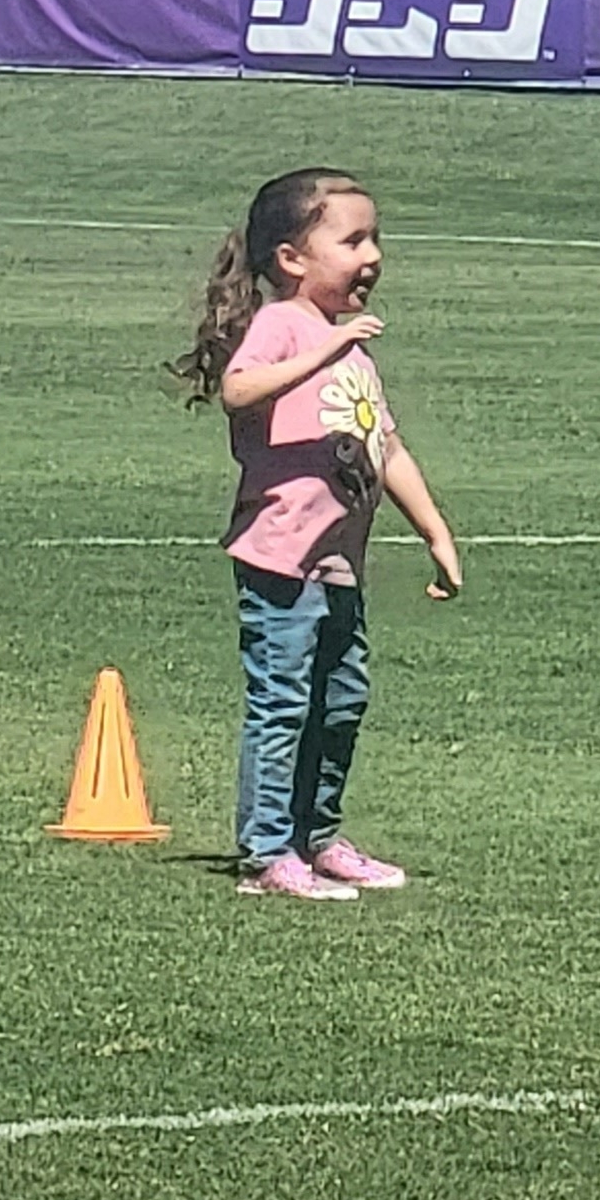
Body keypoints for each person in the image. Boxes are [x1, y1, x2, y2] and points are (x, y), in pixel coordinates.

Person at [178, 166, 462, 901]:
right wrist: (324, 351)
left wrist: (434, 531)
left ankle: (318, 837)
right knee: (283, 704)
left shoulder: (351, 349)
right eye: (353, 239)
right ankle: (269, 852)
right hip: (282, 560)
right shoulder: (284, 327)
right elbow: (238, 390)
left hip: (339, 565)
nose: (372, 255)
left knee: (340, 703)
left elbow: (386, 447)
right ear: (291, 259)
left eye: (377, 239)